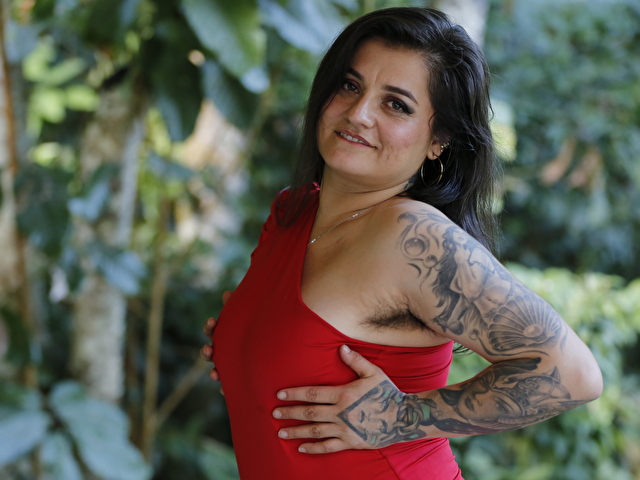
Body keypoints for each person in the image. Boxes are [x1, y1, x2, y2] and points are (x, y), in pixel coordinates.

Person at [199, 7, 602, 479]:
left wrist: (402, 416)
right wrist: (244, 347)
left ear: (438, 140)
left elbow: (571, 373)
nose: (358, 113)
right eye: (350, 85)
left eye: (396, 105)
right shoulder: (294, 210)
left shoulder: (413, 236)